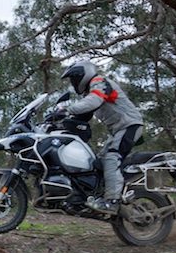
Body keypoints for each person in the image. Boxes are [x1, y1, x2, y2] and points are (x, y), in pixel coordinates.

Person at [60, 60, 144, 214]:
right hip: (118, 131)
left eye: (75, 77)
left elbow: (93, 101)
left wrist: (68, 109)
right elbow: (82, 115)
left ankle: (113, 200)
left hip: (130, 125)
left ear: (85, 74)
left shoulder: (99, 82)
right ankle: (96, 196)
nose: (74, 82)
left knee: (112, 157)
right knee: (96, 163)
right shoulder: (91, 92)